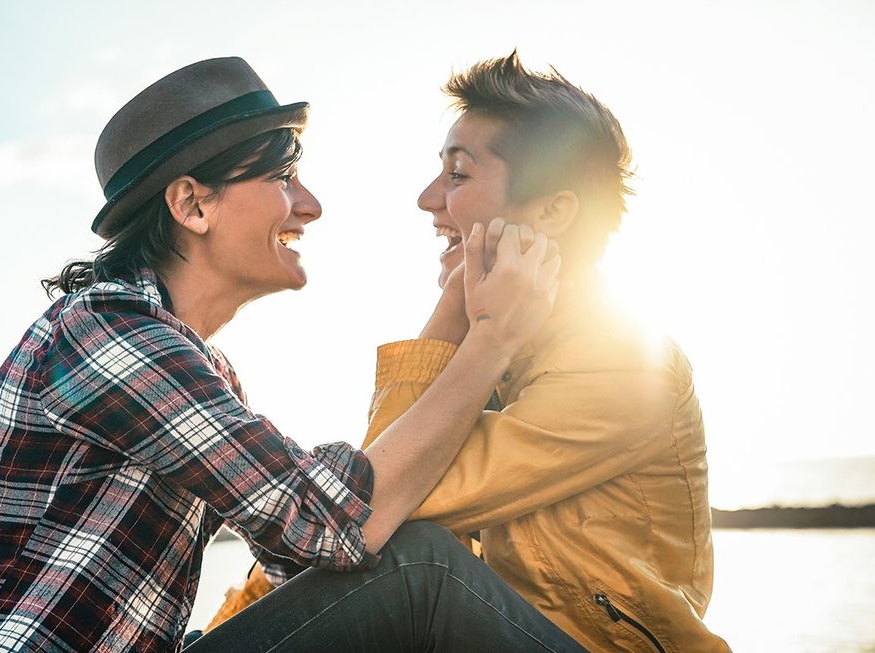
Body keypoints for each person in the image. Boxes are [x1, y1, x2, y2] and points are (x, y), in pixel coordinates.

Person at [0, 58, 586, 653]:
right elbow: (336, 520)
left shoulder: (194, 365)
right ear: (192, 203)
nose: (311, 206)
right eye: (283, 178)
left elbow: (303, 553)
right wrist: (492, 337)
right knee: (422, 572)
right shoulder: (108, 335)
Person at [211, 53, 732, 652]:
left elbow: (374, 513)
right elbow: (353, 519)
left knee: (418, 564)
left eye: (458, 175)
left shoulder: (621, 364)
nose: (428, 198)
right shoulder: (499, 355)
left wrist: (458, 312)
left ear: (553, 211)